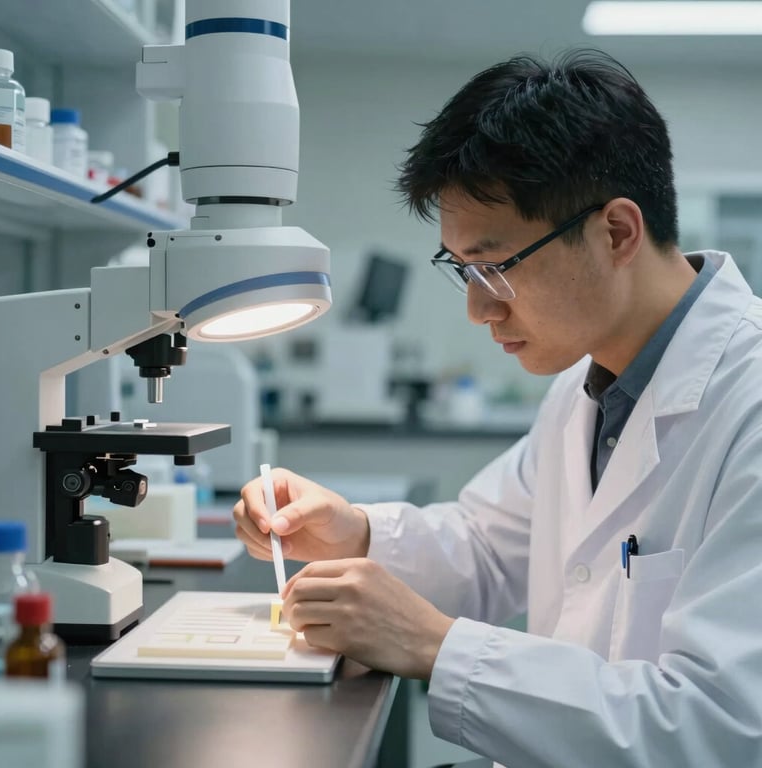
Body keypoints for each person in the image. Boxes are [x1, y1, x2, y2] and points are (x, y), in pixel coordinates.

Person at [233, 49, 762, 767]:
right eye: (464, 271)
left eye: (496, 266)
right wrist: (352, 533)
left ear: (616, 232)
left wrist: (434, 646)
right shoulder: (589, 385)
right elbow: (487, 545)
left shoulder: (749, 405)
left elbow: (718, 727)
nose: (480, 308)